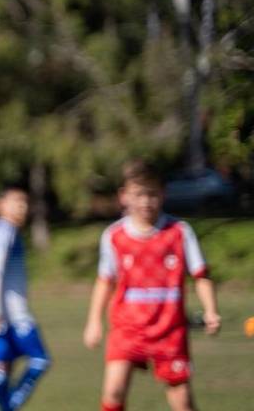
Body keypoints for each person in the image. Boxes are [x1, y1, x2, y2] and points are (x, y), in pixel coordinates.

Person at [83, 160, 220, 411]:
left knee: (182, 402)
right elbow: (105, 281)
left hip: (169, 330)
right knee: (113, 391)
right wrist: (94, 321)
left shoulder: (179, 232)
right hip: (127, 329)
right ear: (124, 196)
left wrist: (210, 309)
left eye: (152, 194)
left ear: (163, 194)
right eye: (138, 194)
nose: (146, 201)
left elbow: (200, 275)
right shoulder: (114, 236)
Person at [0, 187, 49, 411]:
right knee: (39, 360)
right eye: (16, 202)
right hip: (10, 315)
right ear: (0, 205)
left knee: (4, 365)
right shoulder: (4, 230)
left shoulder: (7, 230)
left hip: (6, 313)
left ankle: (6, 407)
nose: (22, 207)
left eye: (25, 202)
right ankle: (8, 406)